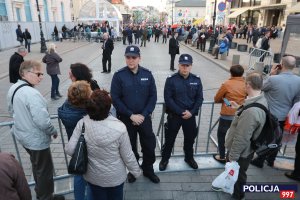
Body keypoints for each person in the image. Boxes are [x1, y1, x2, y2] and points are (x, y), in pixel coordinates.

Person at [65, 89, 141, 200]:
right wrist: (136, 172)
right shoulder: (120, 127)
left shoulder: (82, 124)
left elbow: (70, 150)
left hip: (93, 176)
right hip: (115, 177)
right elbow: (127, 155)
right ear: (109, 107)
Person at [7, 60, 64, 200]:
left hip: (23, 136)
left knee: (38, 166)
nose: (41, 77)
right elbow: (42, 121)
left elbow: (11, 110)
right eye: (38, 74)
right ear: (25, 74)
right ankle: (45, 197)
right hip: (36, 140)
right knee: (44, 170)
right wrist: (53, 131)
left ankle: (41, 193)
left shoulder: (13, 88)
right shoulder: (32, 94)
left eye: (42, 74)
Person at [110, 45, 160, 183]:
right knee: (130, 147)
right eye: (128, 57)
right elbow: (115, 98)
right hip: (127, 119)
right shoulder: (119, 76)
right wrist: (131, 115)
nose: (131, 60)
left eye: (134, 57)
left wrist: (143, 115)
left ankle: (148, 169)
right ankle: (133, 170)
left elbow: (153, 97)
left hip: (144, 118)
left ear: (139, 58)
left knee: (149, 145)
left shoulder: (147, 74)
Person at [221, 73, 268, 200]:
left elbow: (241, 137)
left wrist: (232, 157)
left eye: (245, 84)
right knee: (240, 173)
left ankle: (238, 195)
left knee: (239, 174)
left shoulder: (251, 112)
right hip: (248, 149)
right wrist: (239, 108)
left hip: (242, 152)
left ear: (248, 85)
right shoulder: (260, 100)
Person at [251, 55, 300, 169]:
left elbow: (259, 87)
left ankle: (260, 159)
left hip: (270, 115)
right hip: (285, 116)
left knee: (265, 138)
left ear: (281, 65)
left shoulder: (274, 79)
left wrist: (270, 74)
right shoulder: (298, 80)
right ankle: (271, 160)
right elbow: (297, 100)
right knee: (277, 138)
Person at [159, 54, 203, 171]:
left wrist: (192, 112)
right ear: (178, 65)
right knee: (169, 140)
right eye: (182, 65)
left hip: (190, 116)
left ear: (191, 66)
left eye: (187, 65)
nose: (185, 68)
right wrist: (181, 112)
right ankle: (165, 159)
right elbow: (168, 99)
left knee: (189, 139)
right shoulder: (171, 80)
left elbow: (199, 98)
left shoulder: (196, 80)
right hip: (175, 116)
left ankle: (189, 158)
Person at [58, 81, 93, 200]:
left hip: (75, 147)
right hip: (88, 147)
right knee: (91, 176)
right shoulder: (86, 113)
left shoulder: (65, 108)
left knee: (78, 174)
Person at [213, 65, 246, 163]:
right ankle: (232, 157)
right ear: (242, 73)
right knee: (236, 137)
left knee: (221, 135)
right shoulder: (246, 84)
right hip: (240, 114)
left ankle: (222, 156)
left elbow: (216, 99)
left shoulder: (226, 84)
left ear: (231, 73)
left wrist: (224, 99)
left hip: (227, 115)